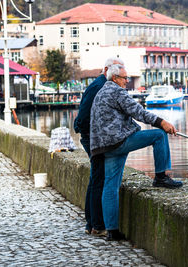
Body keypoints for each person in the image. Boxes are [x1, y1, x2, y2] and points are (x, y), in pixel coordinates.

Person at [90, 65, 183, 241]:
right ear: (115, 78)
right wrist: (162, 122)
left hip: (103, 147)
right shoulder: (116, 92)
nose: (127, 81)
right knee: (159, 135)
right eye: (125, 78)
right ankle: (161, 177)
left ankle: (112, 231)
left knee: (110, 186)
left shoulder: (101, 92)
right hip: (117, 142)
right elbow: (138, 112)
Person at [74, 57, 124, 237]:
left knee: (96, 178)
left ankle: (91, 222)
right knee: (99, 179)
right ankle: (96, 224)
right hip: (92, 138)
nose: (120, 76)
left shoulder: (101, 84)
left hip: (91, 137)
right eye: (118, 72)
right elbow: (84, 116)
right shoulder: (100, 86)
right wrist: (92, 135)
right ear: (107, 70)